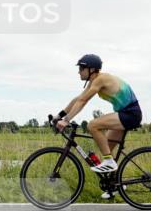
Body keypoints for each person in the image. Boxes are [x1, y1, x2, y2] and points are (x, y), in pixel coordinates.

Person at [55, 54, 142, 182]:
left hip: (130, 114)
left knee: (92, 125)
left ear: (91, 69)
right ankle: (115, 185)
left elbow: (83, 101)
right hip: (124, 113)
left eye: (81, 68)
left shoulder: (101, 79)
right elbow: (78, 99)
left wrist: (66, 120)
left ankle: (109, 162)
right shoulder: (94, 81)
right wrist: (59, 116)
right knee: (107, 150)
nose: (79, 72)